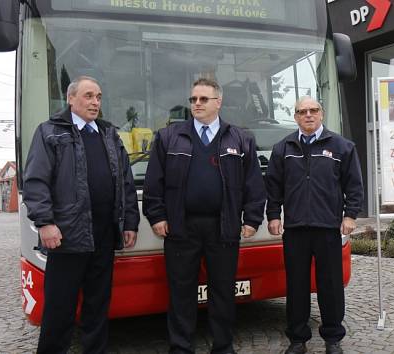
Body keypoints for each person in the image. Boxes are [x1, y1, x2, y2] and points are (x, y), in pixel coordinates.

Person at [143, 78, 265, 354]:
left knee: (223, 290)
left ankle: (223, 346)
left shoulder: (240, 138)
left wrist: (252, 220)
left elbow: (253, 184)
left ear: (218, 102)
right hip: (180, 227)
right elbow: (154, 182)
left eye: (203, 99)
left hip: (224, 226)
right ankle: (180, 346)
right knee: (180, 291)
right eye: (193, 99)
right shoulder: (169, 137)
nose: (196, 104)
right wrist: (157, 216)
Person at [23, 76, 140, 353]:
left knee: (98, 305)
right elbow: (36, 181)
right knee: (59, 308)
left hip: (103, 234)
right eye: (88, 96)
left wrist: (130, 222)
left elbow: (125, 181)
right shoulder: (50, 132)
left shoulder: (109, 133)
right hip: (66, 236)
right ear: (71, 98)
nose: (95, 102)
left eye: (98, 97)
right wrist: (45, 223)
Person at [265, 97, 363, 354]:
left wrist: (350, 215)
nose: (308, 115)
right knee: (296, 286)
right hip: (295, 229)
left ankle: (333, 339)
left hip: (328, 228)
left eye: (313, 110)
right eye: (302, 111)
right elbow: (273, 187)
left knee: (330, 286)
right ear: (295, 117)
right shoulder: (282, 148)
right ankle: (298, 340)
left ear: (321, 113)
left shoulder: (342, 147)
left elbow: (354, 185)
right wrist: (273, 215)